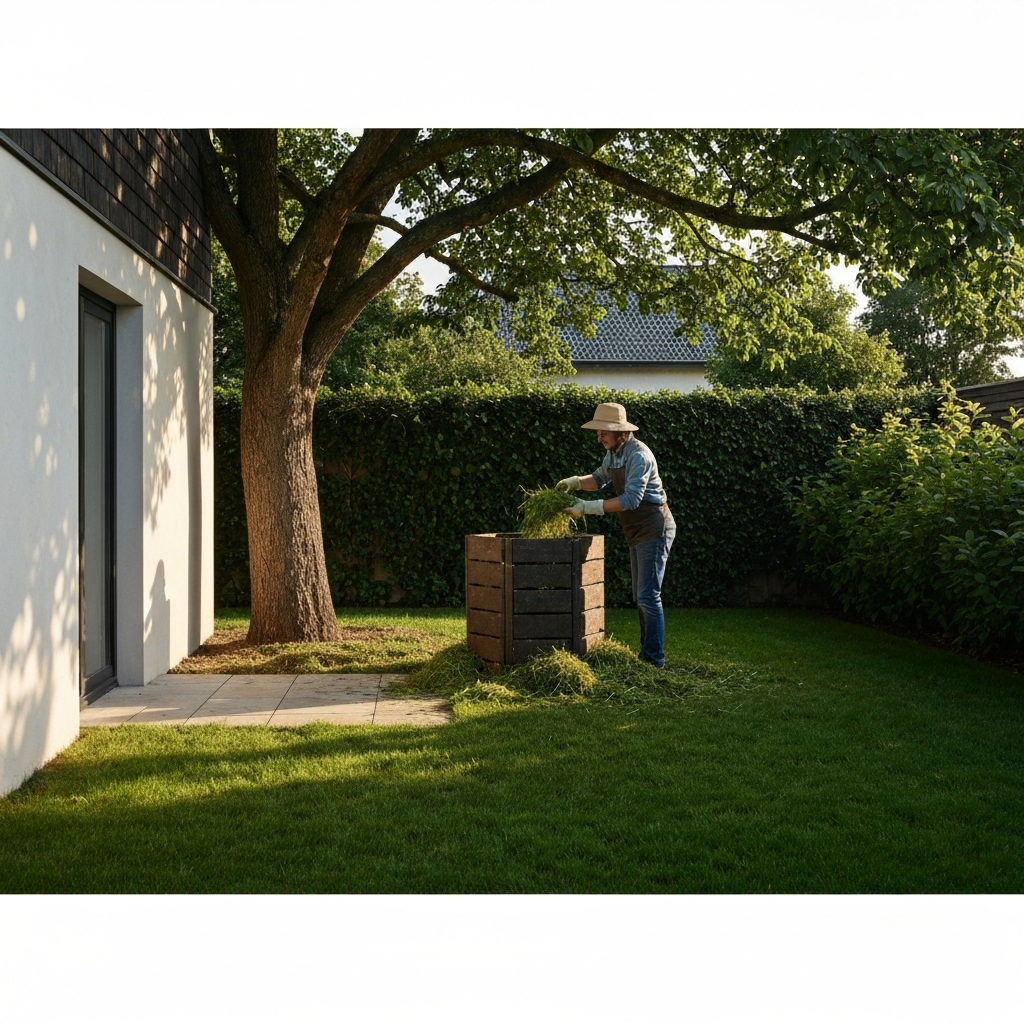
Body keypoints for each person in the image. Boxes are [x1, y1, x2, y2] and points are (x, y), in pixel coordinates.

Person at [556, 402, 676, 668]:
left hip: (654, 527)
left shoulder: (638, 455)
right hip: (636, 529)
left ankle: (654, 659)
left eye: (604, 432)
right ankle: (647, 656)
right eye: (598, 432)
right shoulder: (614, 453)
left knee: (648, 595)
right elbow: (599, 479)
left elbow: (632, 499)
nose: (599, 437)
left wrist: (587, 507)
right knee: (641, 594)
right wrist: (575, 481)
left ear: (621, 432)